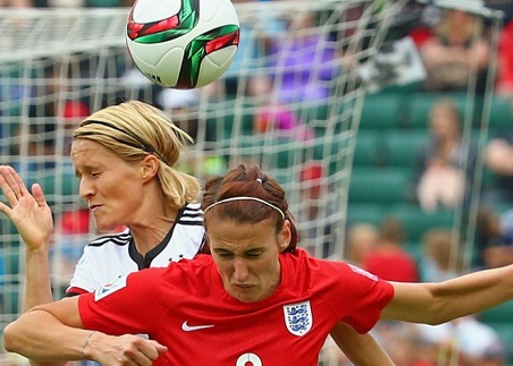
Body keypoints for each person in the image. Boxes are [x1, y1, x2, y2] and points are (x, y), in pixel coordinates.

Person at [4, 163, 513, 365]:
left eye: (253, 255)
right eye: (224, 255)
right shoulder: (164, 289)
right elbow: (23, 330)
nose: (237, 272)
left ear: (285, 236)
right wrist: (97, 346)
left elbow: (437, 303)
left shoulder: (323, 284)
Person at [0, 101, 395, 365]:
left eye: (95, 173)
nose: (84, 190)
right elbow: (44, 354)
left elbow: (328, 305)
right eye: (80, 176)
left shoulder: (220, 233)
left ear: (146, 167)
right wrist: (38, 250)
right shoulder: (101, 256)